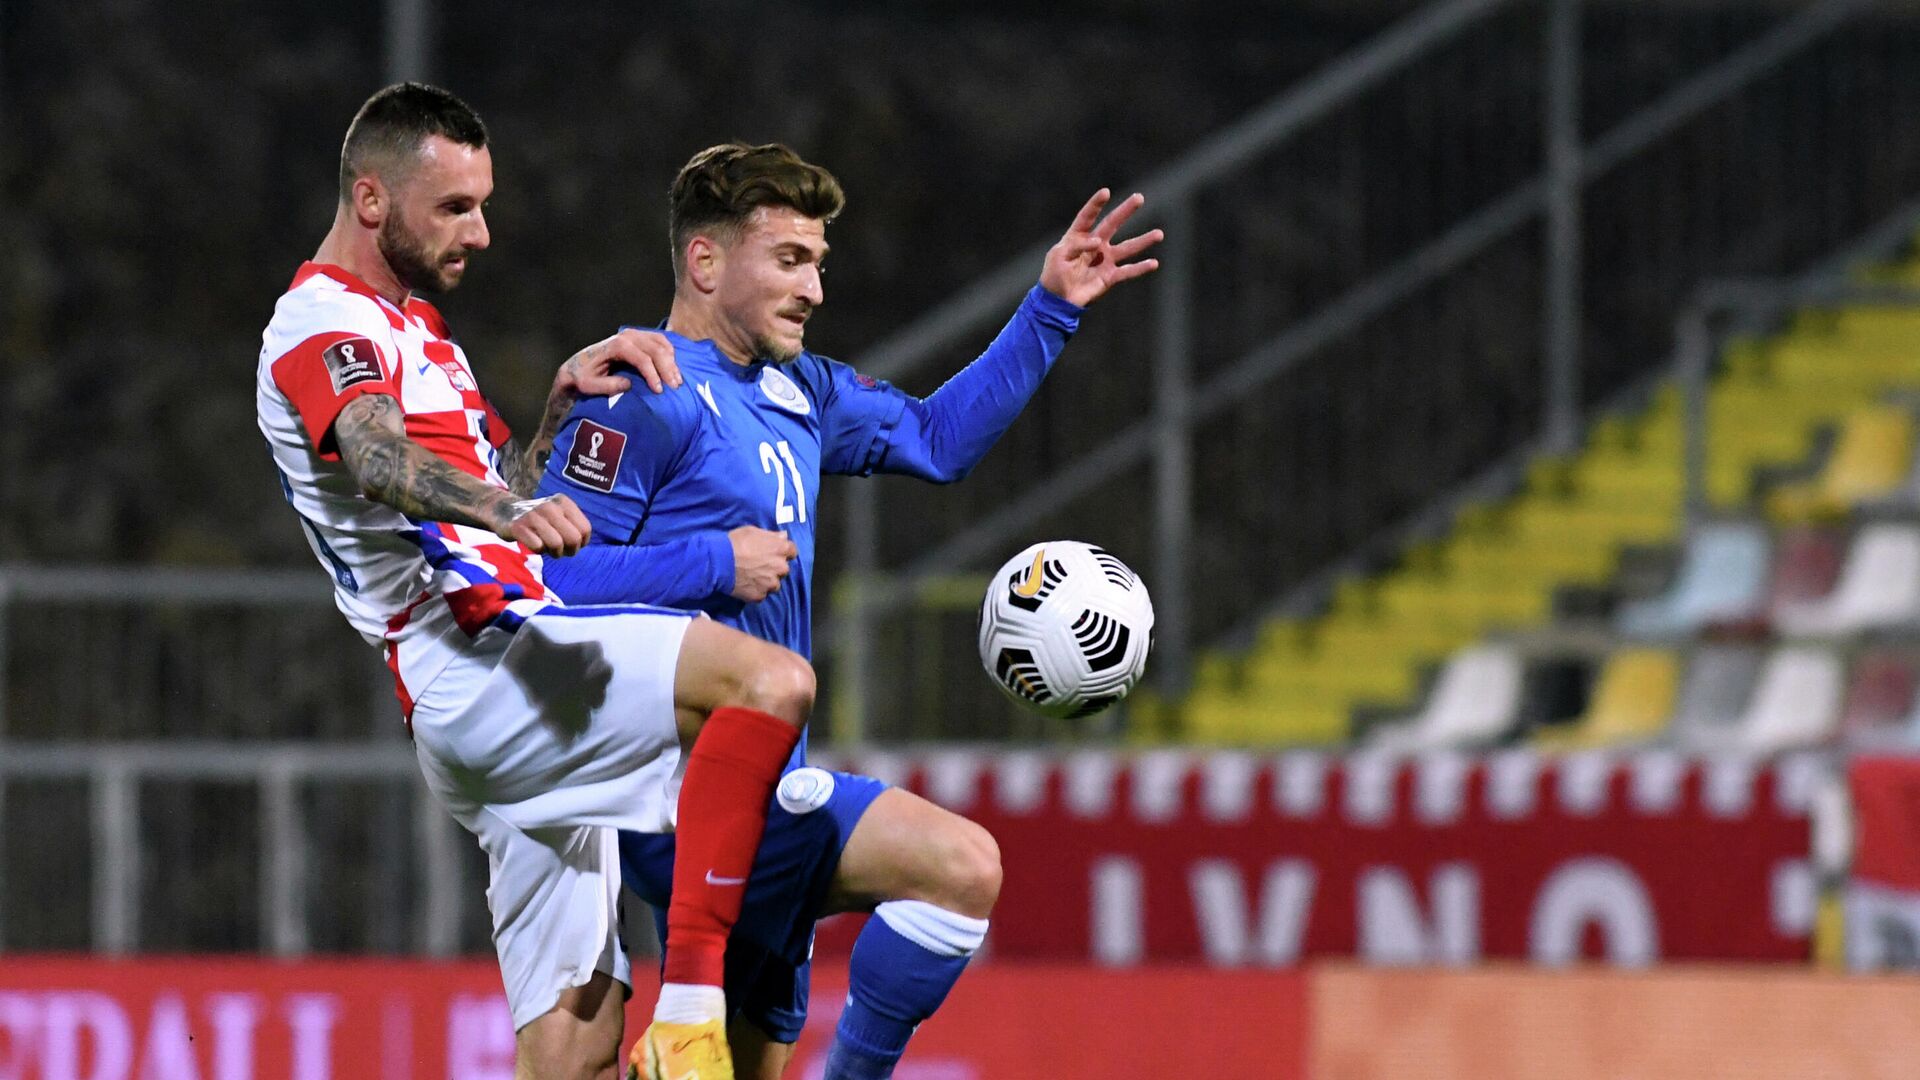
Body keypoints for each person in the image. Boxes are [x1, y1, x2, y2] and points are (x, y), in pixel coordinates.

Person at [536, 141, 1162, 1079]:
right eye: (790, 259)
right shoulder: (639, 397)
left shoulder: (802, 392)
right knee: (960, 868)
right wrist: (713, 560)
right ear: (705, 262)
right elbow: (548, 587)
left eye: (819, 263)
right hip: (675, 801)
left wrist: (1049, 310)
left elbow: (939, 442)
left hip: (768, 786)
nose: (816, 289)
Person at [256, 86, 816, 1080]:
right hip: (493, 674)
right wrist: (510, 511)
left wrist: (556, 411)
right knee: (771, 684)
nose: (481, 230)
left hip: (513, 694)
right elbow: (377, 458)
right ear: (373, 200)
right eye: (455, 207)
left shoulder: (421, 337)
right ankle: (696, 1012)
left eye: (484, 202)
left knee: (578, 1049)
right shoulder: (320, 319)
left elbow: (493, 494)